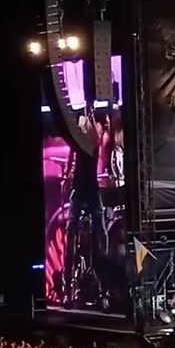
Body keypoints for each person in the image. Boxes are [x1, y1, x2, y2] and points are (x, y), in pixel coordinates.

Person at [63, 115, 107, 308]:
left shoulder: (93, 143)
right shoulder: (76, 146)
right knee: (71, 232)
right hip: (80, 189)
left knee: (101, 231)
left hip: (90, 189)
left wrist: (97, 122)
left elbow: (100, 137)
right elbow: (69, 164)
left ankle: (104, 290)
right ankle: (68, 289)